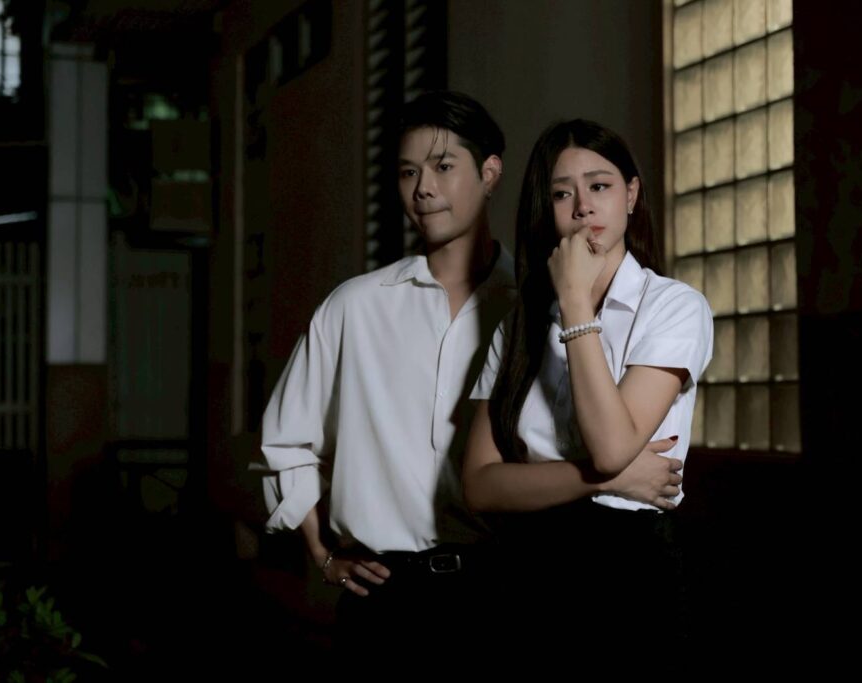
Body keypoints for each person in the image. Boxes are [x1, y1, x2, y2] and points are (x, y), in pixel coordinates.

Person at [257, 95, 679, 645]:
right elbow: (285, 444)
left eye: (442, 166)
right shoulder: (354, 307)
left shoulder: (535, 309)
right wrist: (323, 553)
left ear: (490, 173)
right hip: (385, 592)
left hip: (506, 586)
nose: (423, 188)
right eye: (408, 172)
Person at [463, 119, 714, 642]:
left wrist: (575, 301)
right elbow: (480, 485)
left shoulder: (674, 307)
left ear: (631, 195)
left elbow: (611, 446)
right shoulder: (518, 325)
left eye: (599, 186)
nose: (583, 206)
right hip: (524, 568)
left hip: (629, 570)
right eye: (562, 193)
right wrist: (607, 480)